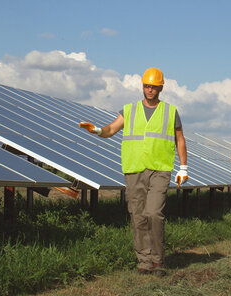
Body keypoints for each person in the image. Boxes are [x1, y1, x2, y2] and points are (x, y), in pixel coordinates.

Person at [79, 67, 188, 277]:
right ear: (142, 86)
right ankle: (144, 261)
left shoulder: (170, 111)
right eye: (147, 86)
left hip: (160, 168)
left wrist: (183, 167)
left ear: (160, 88)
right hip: (133, 169)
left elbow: (179, 139)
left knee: (154, 213)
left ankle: (158, 261)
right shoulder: (129, 110)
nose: (149, 90)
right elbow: (111, 129)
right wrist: (97, 131)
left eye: (154, 87)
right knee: (138, 215)